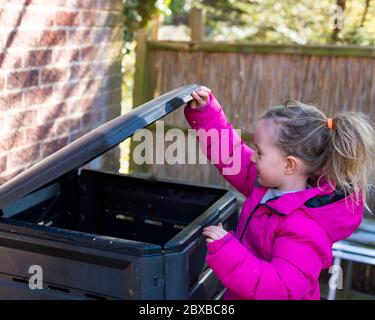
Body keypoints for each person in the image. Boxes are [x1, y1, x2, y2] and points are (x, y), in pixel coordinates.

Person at [184, 86, 375, 300]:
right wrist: (206, 112)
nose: (253, 157)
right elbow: (232, 154)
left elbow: (281, 290)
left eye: (260, 151)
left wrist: (228, 251)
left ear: (289, 165)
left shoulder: (303, 229)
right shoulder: (270, 183)